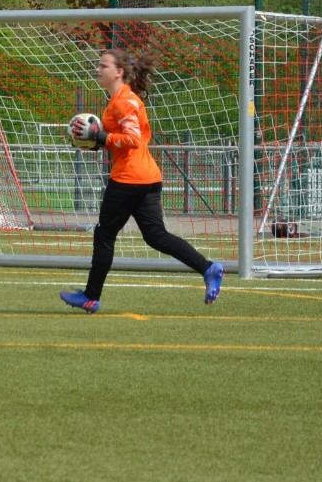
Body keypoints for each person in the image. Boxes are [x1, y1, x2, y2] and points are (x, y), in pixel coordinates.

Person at [60, 48, 224, 314]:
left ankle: (90, 296)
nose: (97, 69)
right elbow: (123, 141)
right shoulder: (121, 99)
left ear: (119, 71)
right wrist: (94, 143)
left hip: (129, 179)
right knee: (156, 236)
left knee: (104, 235)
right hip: (146, 176)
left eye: (103, 65)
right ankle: (208, 268)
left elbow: (133, 139)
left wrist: (100, 137)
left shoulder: (124, 101)